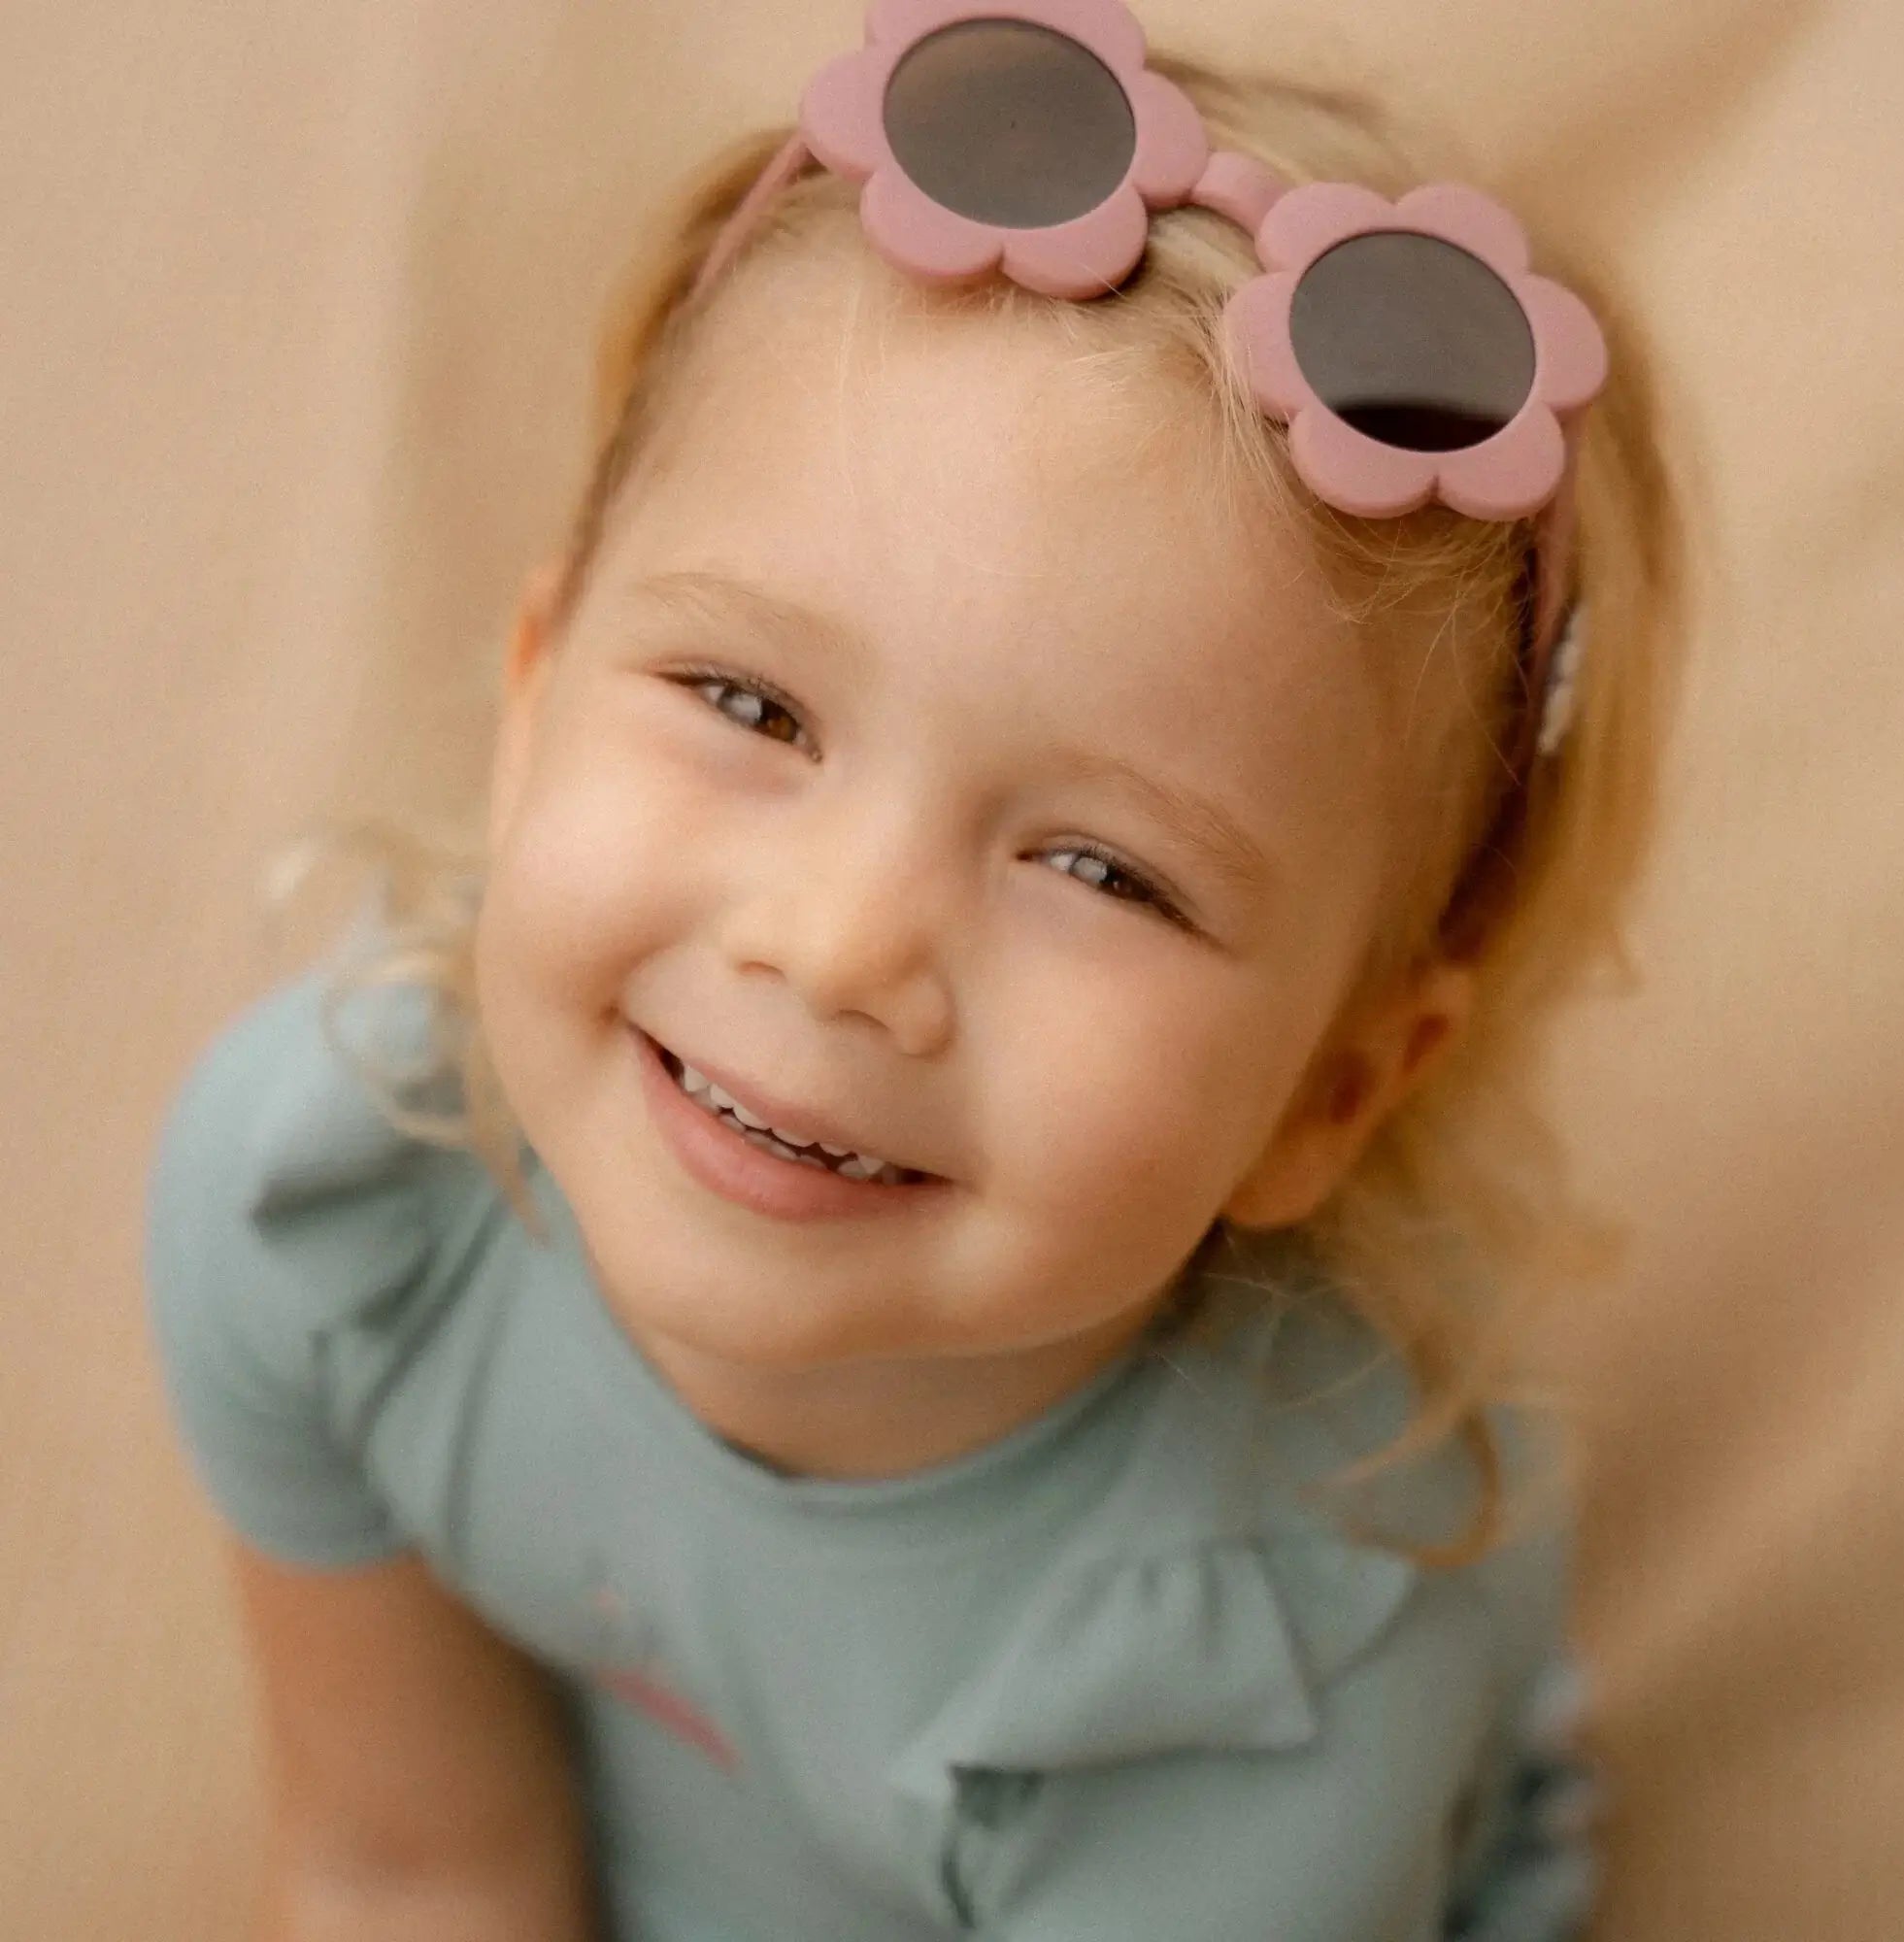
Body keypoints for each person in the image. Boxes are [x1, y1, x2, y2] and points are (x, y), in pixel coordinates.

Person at [146, 5, 1683, 1936]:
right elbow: (412, 1858)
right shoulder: (331, 1211)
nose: (844, 942)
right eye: (746, 700)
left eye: (1102, 869)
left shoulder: (1261, 1667)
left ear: (1332, 1091)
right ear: (528, 704)